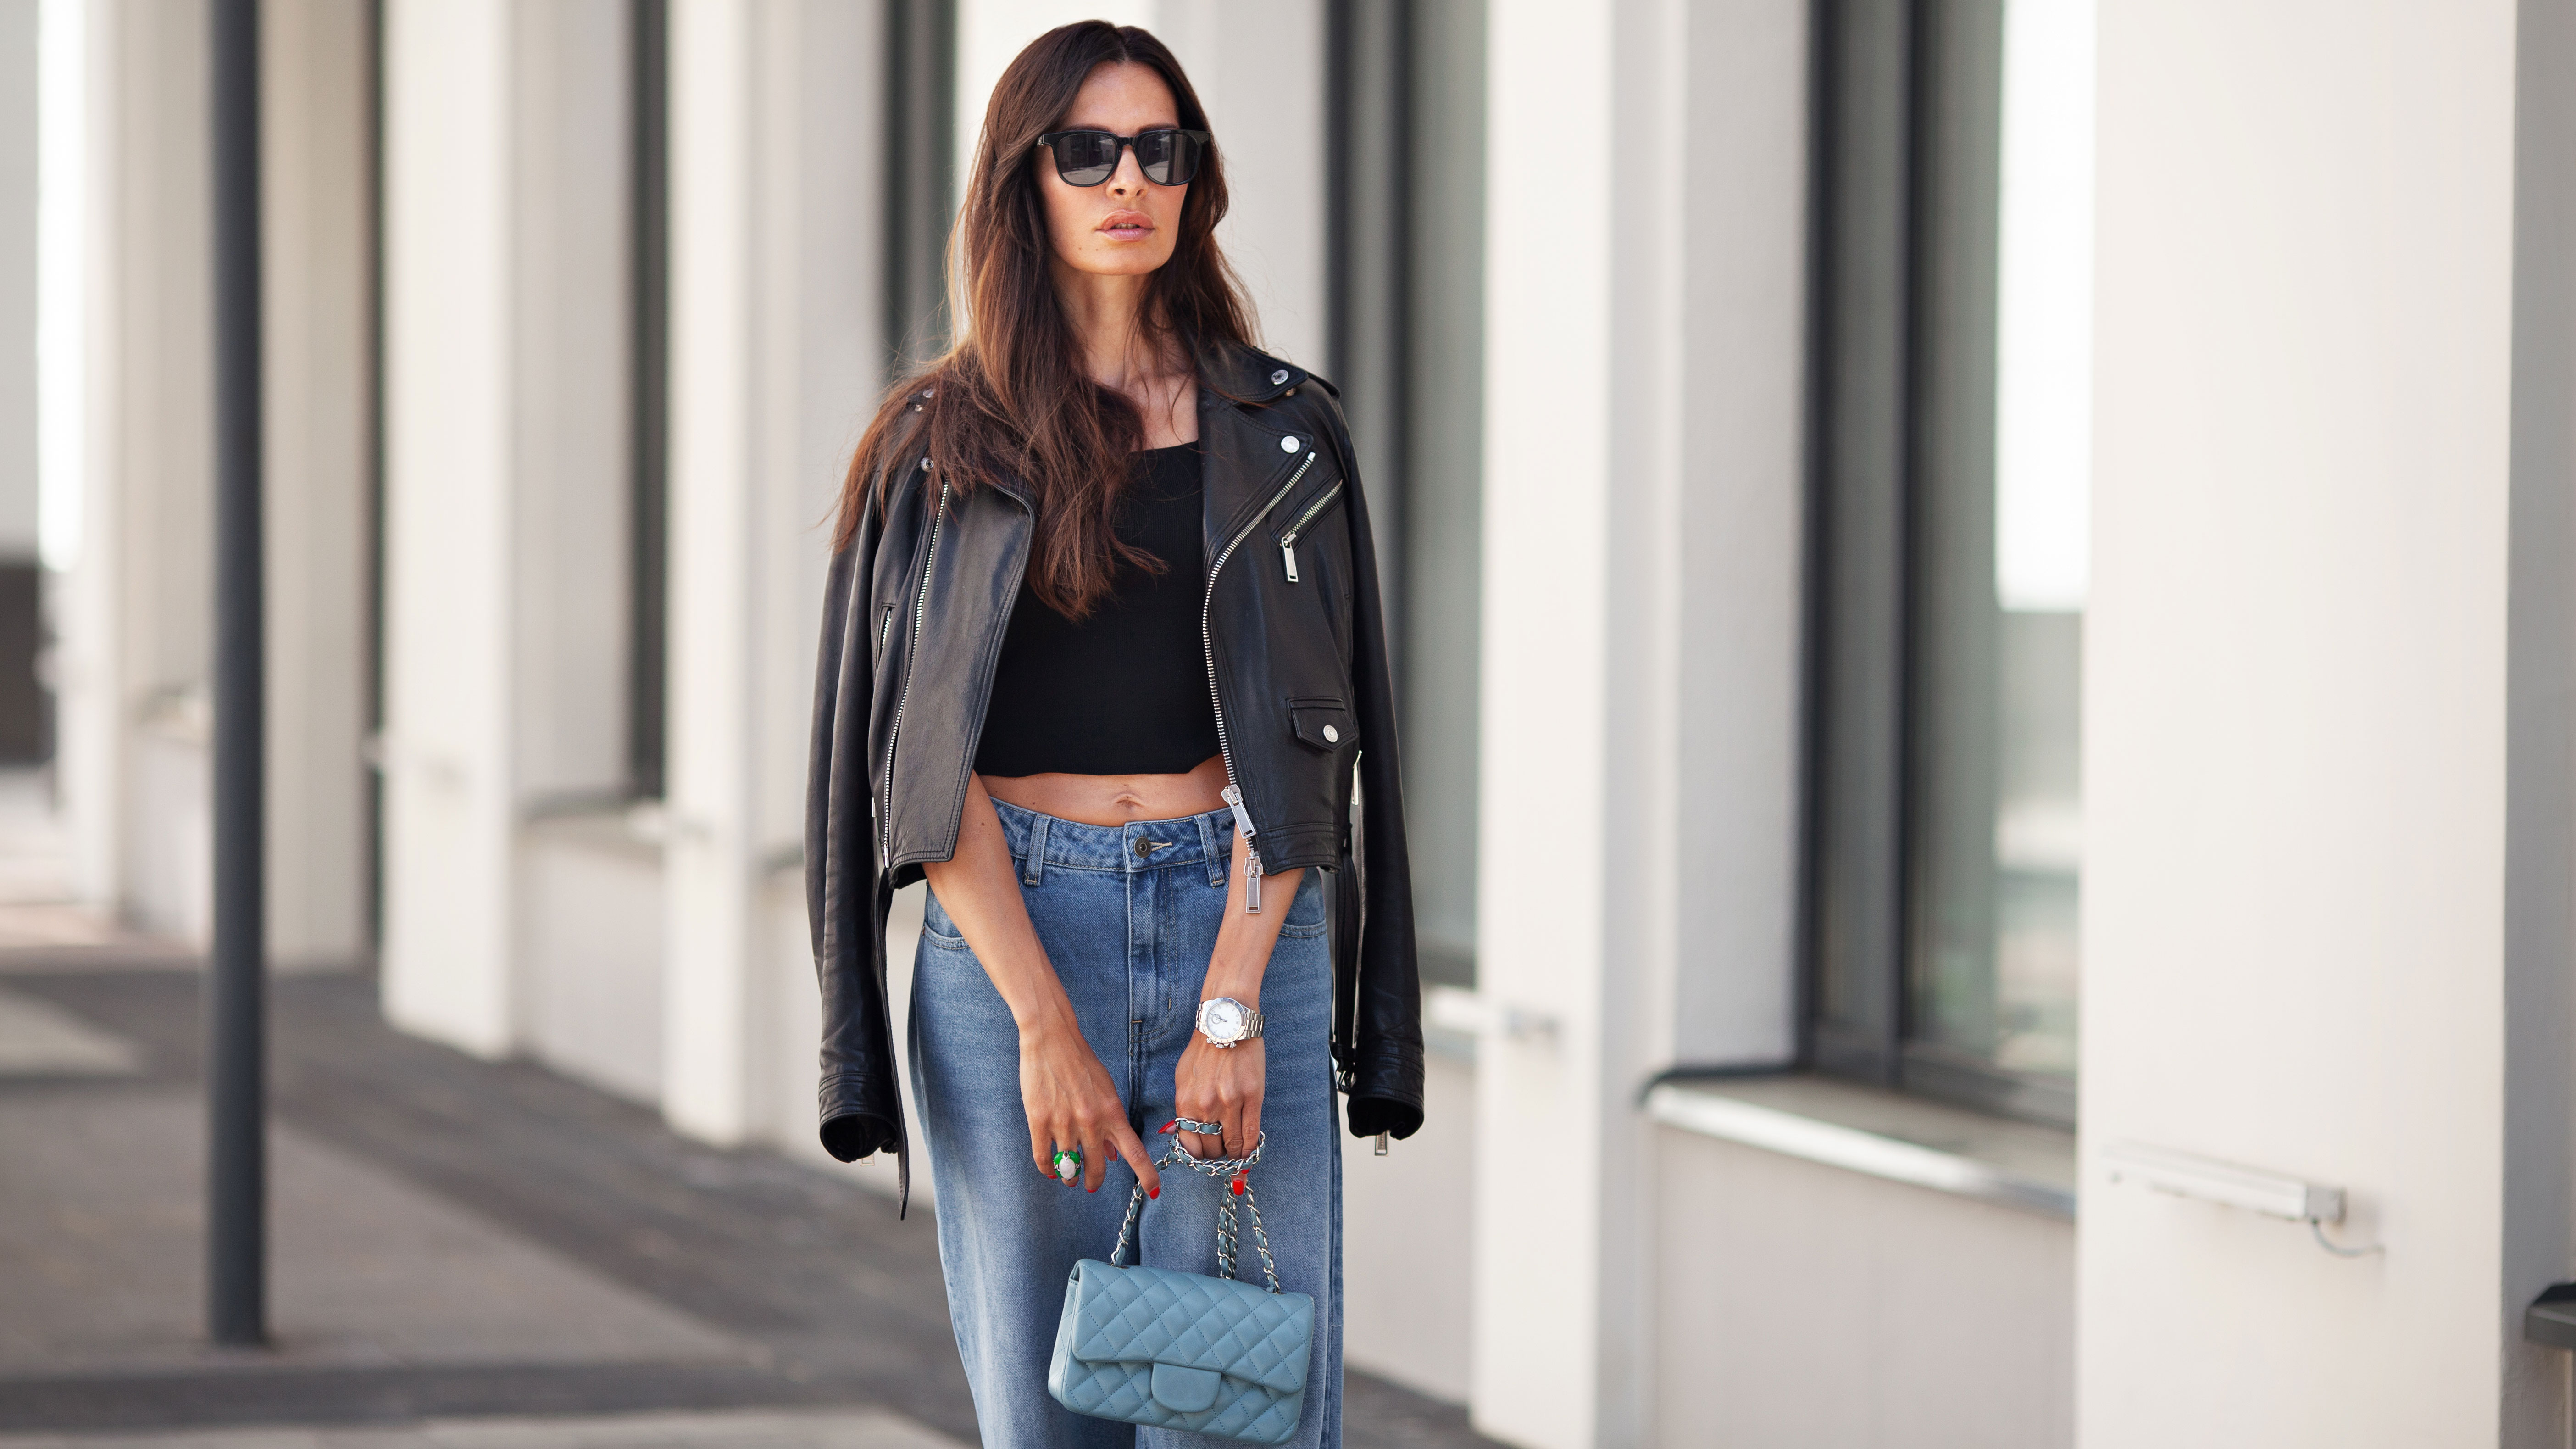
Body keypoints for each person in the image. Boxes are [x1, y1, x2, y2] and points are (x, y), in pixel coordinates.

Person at [804, 21, 1423, 1448]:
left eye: (1161, 149)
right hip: (1015, 940)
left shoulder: (1284, 432)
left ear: (1194, 181)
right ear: (1025, 182)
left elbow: (1312, 751)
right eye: (1088, 150)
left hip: (1241, 929)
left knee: (1239, 1412)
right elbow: (921, 768)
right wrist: (1043, 1028)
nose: (1127, 178)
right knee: (1053, 1418)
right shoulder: (937, 445)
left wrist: (1232, 1007)